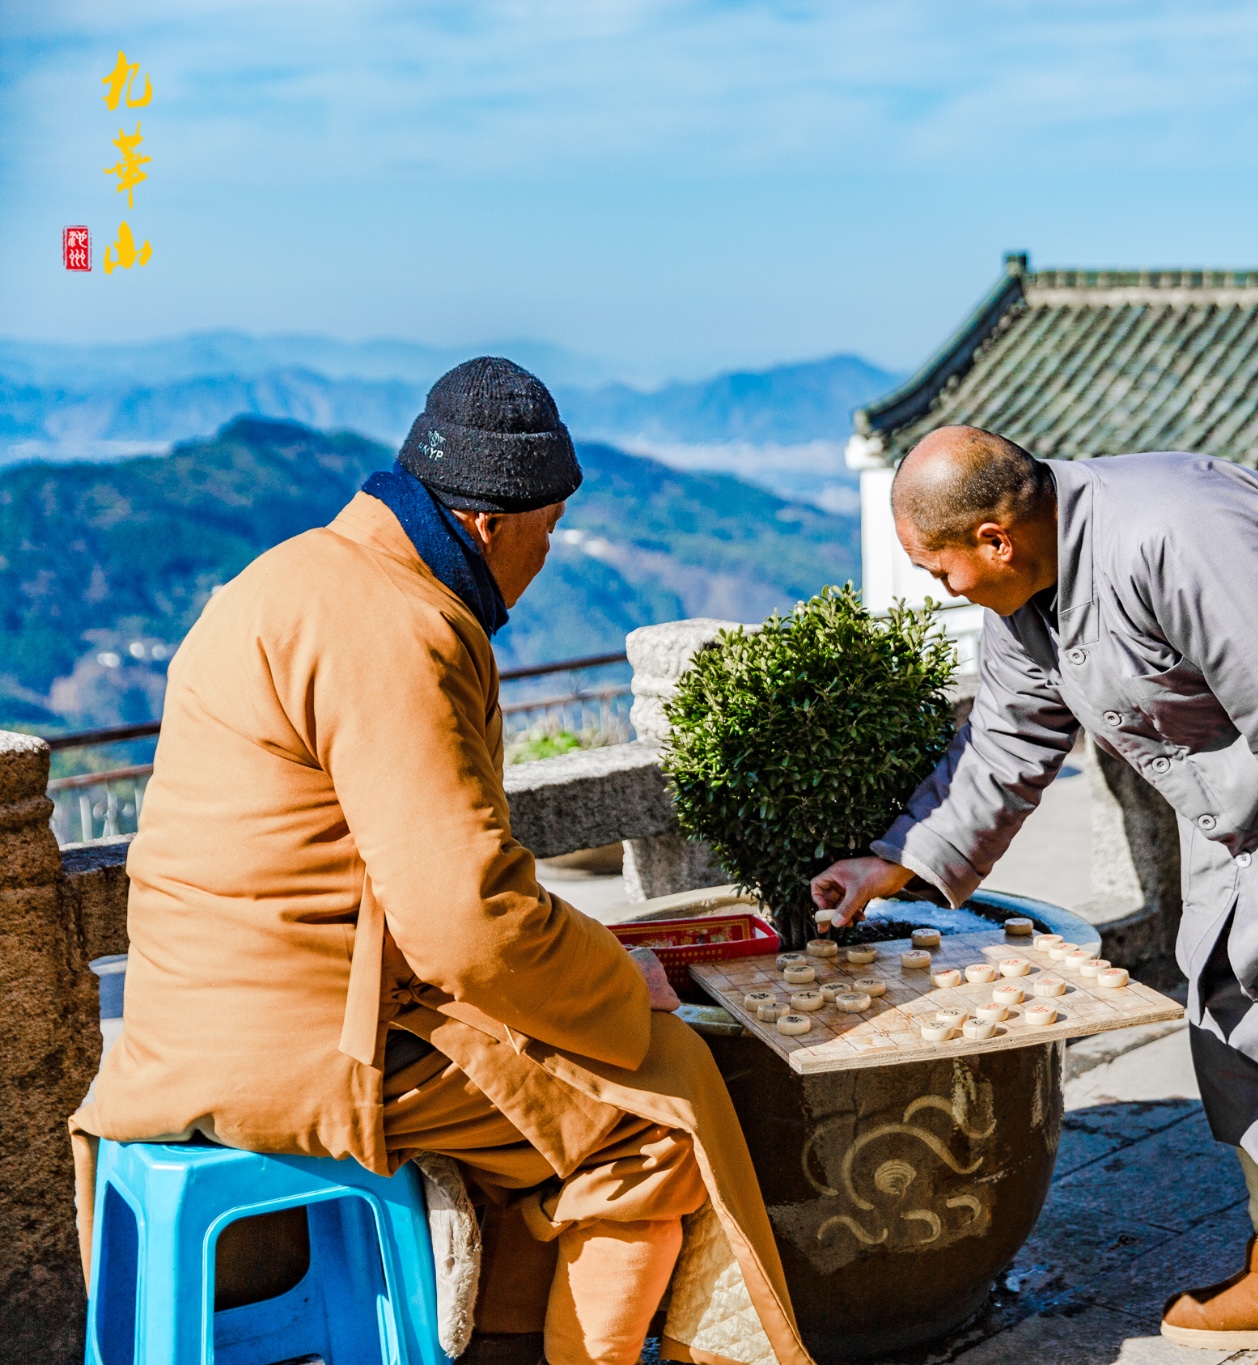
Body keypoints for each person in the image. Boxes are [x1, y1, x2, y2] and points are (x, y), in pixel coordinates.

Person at [73, 359, 813, 1365]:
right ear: (486, 525)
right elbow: (464, 922)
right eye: (548, 530)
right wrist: (614, 978)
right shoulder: (399, 626)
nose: (545, 556)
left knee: (553, 1089)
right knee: (657, 1117)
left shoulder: (290, 574)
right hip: (305, 1042)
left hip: (185, 1014)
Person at [810, 426, 1258, 1365]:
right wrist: (899, 859)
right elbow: (1007, 740)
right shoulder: (1028, 587)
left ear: (995, 539)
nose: (937, 586)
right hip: (1242, 808)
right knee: (1238, 1018)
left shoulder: (1180, 532)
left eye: (935, 566)